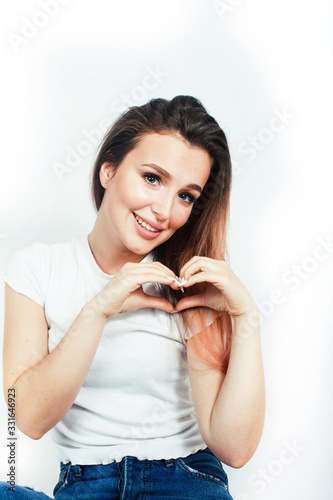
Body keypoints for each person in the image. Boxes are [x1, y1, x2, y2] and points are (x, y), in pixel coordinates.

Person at [1, 95, 265, 499]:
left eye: (186, 196)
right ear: (108, 169)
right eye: (153, 178)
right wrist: (99, 309)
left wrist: (247, 316)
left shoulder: (187, 283)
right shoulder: (38, 268)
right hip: (86, 485)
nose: (163, 210)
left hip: (183, 480)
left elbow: (235, 449)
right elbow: (28, 419)